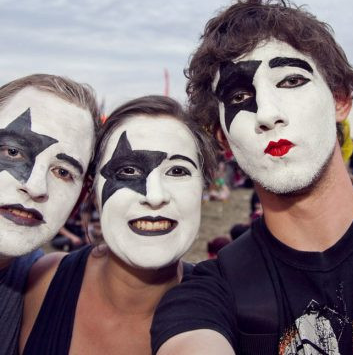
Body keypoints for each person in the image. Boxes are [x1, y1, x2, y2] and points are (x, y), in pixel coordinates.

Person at [151, 0, 353, 354]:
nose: (268, 114)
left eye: (290, 81)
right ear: (223, 138)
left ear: (340, 99)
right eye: (239, 98)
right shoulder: (209, 296)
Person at [19, 95, 216, 355]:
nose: (155, 196)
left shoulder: (221, 304)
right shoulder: (43, 279)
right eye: (128, 172)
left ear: (203, 188)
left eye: (177, 171)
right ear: (92, 190)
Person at [0, 73, 98, 355]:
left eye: (63, 172)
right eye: (13, 151)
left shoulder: (42, 292)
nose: (35, 187)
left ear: (80, 197)